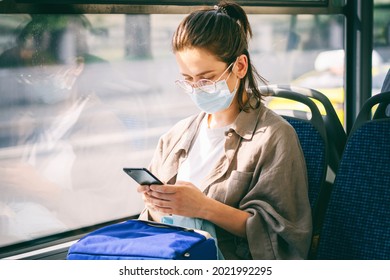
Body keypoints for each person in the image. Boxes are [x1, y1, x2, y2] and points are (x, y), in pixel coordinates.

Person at [137, 1, 312, 260]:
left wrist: (204, 208)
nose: (197, 88)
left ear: (240, 67)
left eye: (207, 78)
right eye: (188, 79)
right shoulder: (175, 137)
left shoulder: (274, 137)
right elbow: (152, 226)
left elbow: (284, 239)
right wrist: (156, 205)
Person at [0, 15, 135, 246]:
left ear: (76, 66)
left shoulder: (101, 127)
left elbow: (114, 211)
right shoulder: (30, 119)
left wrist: (43, 190)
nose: (34, 81)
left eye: (44, 72)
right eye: (27, 74)